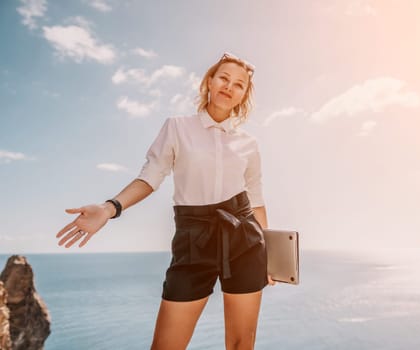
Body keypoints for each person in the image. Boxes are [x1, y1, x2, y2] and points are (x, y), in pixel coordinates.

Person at [55, 52, 276, 350]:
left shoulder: (249, 143)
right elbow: (150, 176)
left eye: (239, 84)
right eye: (224, 78)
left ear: (243, 95)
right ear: (209, 81)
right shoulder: (177, 127)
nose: (229, 86)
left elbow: (256, 196)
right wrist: (110, 208)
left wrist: (272, 255)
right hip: (193, 238)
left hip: (245, 240)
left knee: (240, 344)